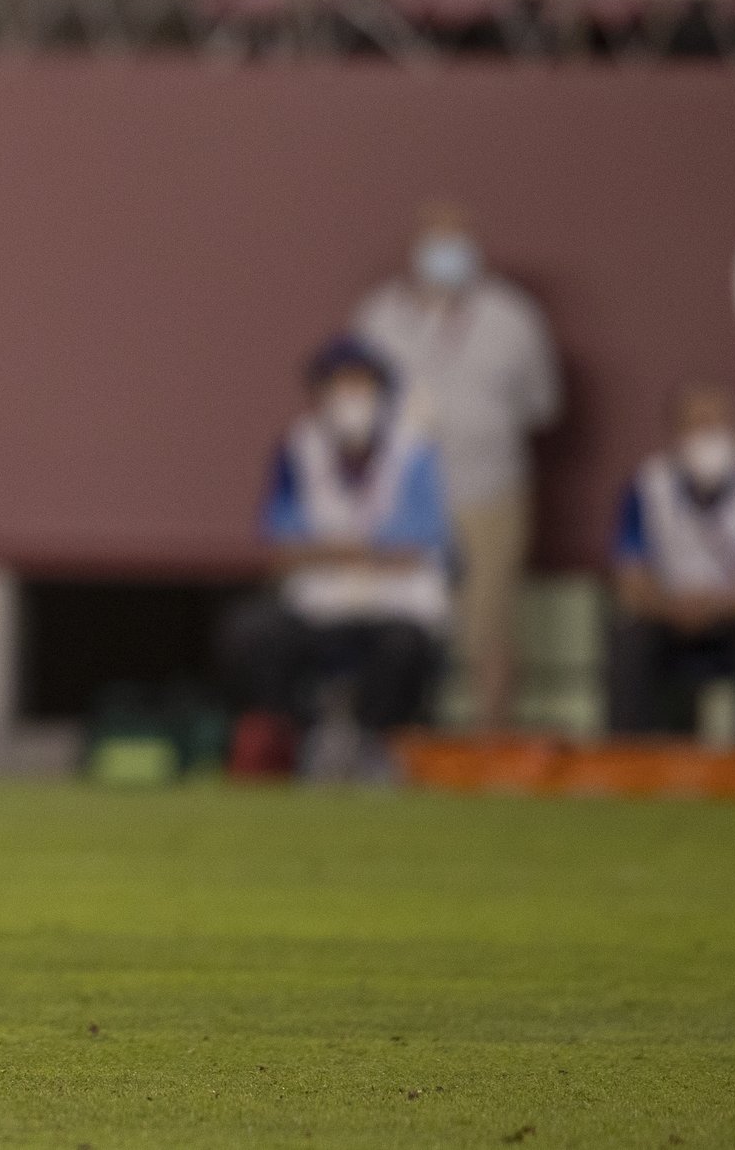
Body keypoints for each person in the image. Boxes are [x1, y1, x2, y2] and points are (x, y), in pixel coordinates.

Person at [353, 205, 561, 732]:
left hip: (489, 491)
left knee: (486, 622)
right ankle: (394, 738)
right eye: (435, 241)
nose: (445, 255)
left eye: (456, 240)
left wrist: (475, 425)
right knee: (398, 622)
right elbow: (356, 405)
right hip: (401, 497)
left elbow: (542, 405)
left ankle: (492, 743)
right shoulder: (380, 316)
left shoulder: (513, 316)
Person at [222, 337, 454, 776]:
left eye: (361, 386)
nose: (351, 400)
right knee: (253, 632)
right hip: (321, 605)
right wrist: (363, 550)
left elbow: (420, 543)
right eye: (339, 386)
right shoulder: (298, 450)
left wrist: (333, 550)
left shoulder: (414, 453)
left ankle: (376, 745)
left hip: (395, 604)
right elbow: (283, 543)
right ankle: (293, 736)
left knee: (406, 649)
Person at [606, 382, 735, 743]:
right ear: (675, 433)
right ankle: (624, 759)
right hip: (667, 617)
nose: (708, 435)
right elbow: (630, 579)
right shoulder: (646, 486)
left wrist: (714, 607)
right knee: (628, 636)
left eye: (717, 423)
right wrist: (671, 607)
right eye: (697, 424)